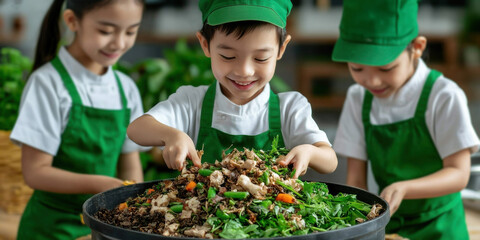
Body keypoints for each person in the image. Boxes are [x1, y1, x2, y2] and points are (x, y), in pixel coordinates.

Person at [127, 0, 338, 179]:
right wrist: (171, 135)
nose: (244, 71)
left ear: (281, 49)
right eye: (228, 56)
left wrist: (309, 151)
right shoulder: (191, 102)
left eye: (260, 58)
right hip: (202, 220)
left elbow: (330, 160)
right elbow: (136, 129)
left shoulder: (290, 108)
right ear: (205, 44)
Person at [332, 0, 480, 239]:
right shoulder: (358, 98)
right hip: (388, 225)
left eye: (386, 68)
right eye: (357, 69)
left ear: (417, 47)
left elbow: (458, 173)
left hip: (441, 227)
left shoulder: (442, 96)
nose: (372, 81)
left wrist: (405, 188)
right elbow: (356, 180)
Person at [10, 0, 146, 239]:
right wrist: (102, 185)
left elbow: (130, 163)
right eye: (105, 31)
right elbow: (35, 172)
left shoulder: (127, 89)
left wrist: (134, 206)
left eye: (131, 31)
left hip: (103, 228)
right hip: (51, 228)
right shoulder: (48, 84)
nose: (120, 42)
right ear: (72, 21)